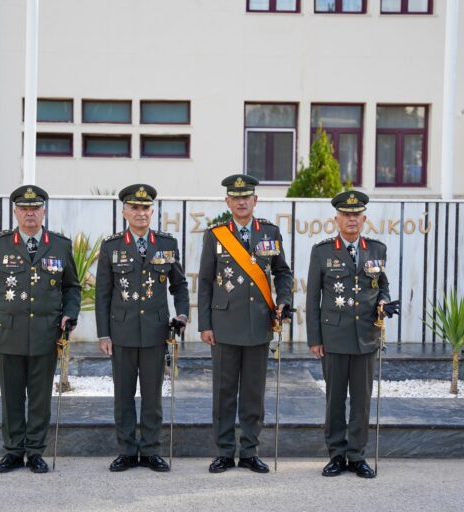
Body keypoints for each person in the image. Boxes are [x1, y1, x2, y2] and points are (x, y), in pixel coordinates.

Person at [0, 184, 81, 474]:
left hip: (45, 334)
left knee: (39, 397)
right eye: (24, 209)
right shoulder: (0, 245)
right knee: (11, 396)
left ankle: (35, 451)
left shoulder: (60, 245)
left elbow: (72, 286)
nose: (30, 214)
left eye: (35, 208)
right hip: (7, 332)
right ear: (15, 212)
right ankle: (13, 451)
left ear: (43, 211)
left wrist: (70, 314)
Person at [198, 174, 293, 474]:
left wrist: (284, 301)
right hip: (224, 324)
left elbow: (282, 272)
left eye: (246, 197)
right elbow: (204, 282)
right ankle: (225, 452)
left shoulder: (270, 232)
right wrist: (205, 324)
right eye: (235, 197)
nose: (241, 202)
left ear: (255, 200)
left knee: (253, 393)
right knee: (224, 394)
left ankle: (250, 451)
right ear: (227, 201)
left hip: (258, 324)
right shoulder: (215, 235)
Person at [96, 184, 189, 473]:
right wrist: (103, 333)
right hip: (121, 333)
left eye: (145, 208)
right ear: (124, 211)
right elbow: (102, 293)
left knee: (152, 396)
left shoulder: (166, 244)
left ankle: (150, 450)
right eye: (134, 208)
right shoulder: (112, 246)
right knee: (123, 395)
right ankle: (127, 450)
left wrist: (183, 315)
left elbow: (179, 285)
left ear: (152, 211)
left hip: (154, 332)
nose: (140, 213)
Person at [305, 189, 394, 479]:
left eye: (356, 215)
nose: (351, 219)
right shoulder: (322, 251)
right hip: (334, 338)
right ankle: (336, 455)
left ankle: (357, 455)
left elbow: (382, 285)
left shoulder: (376, 250)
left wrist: (383, 300)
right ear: (337, 219)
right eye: (346, 215)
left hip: (366, 337)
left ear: (364, 218)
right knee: (334, 400)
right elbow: (312, 299)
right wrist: (314, 339)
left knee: (361, 400)